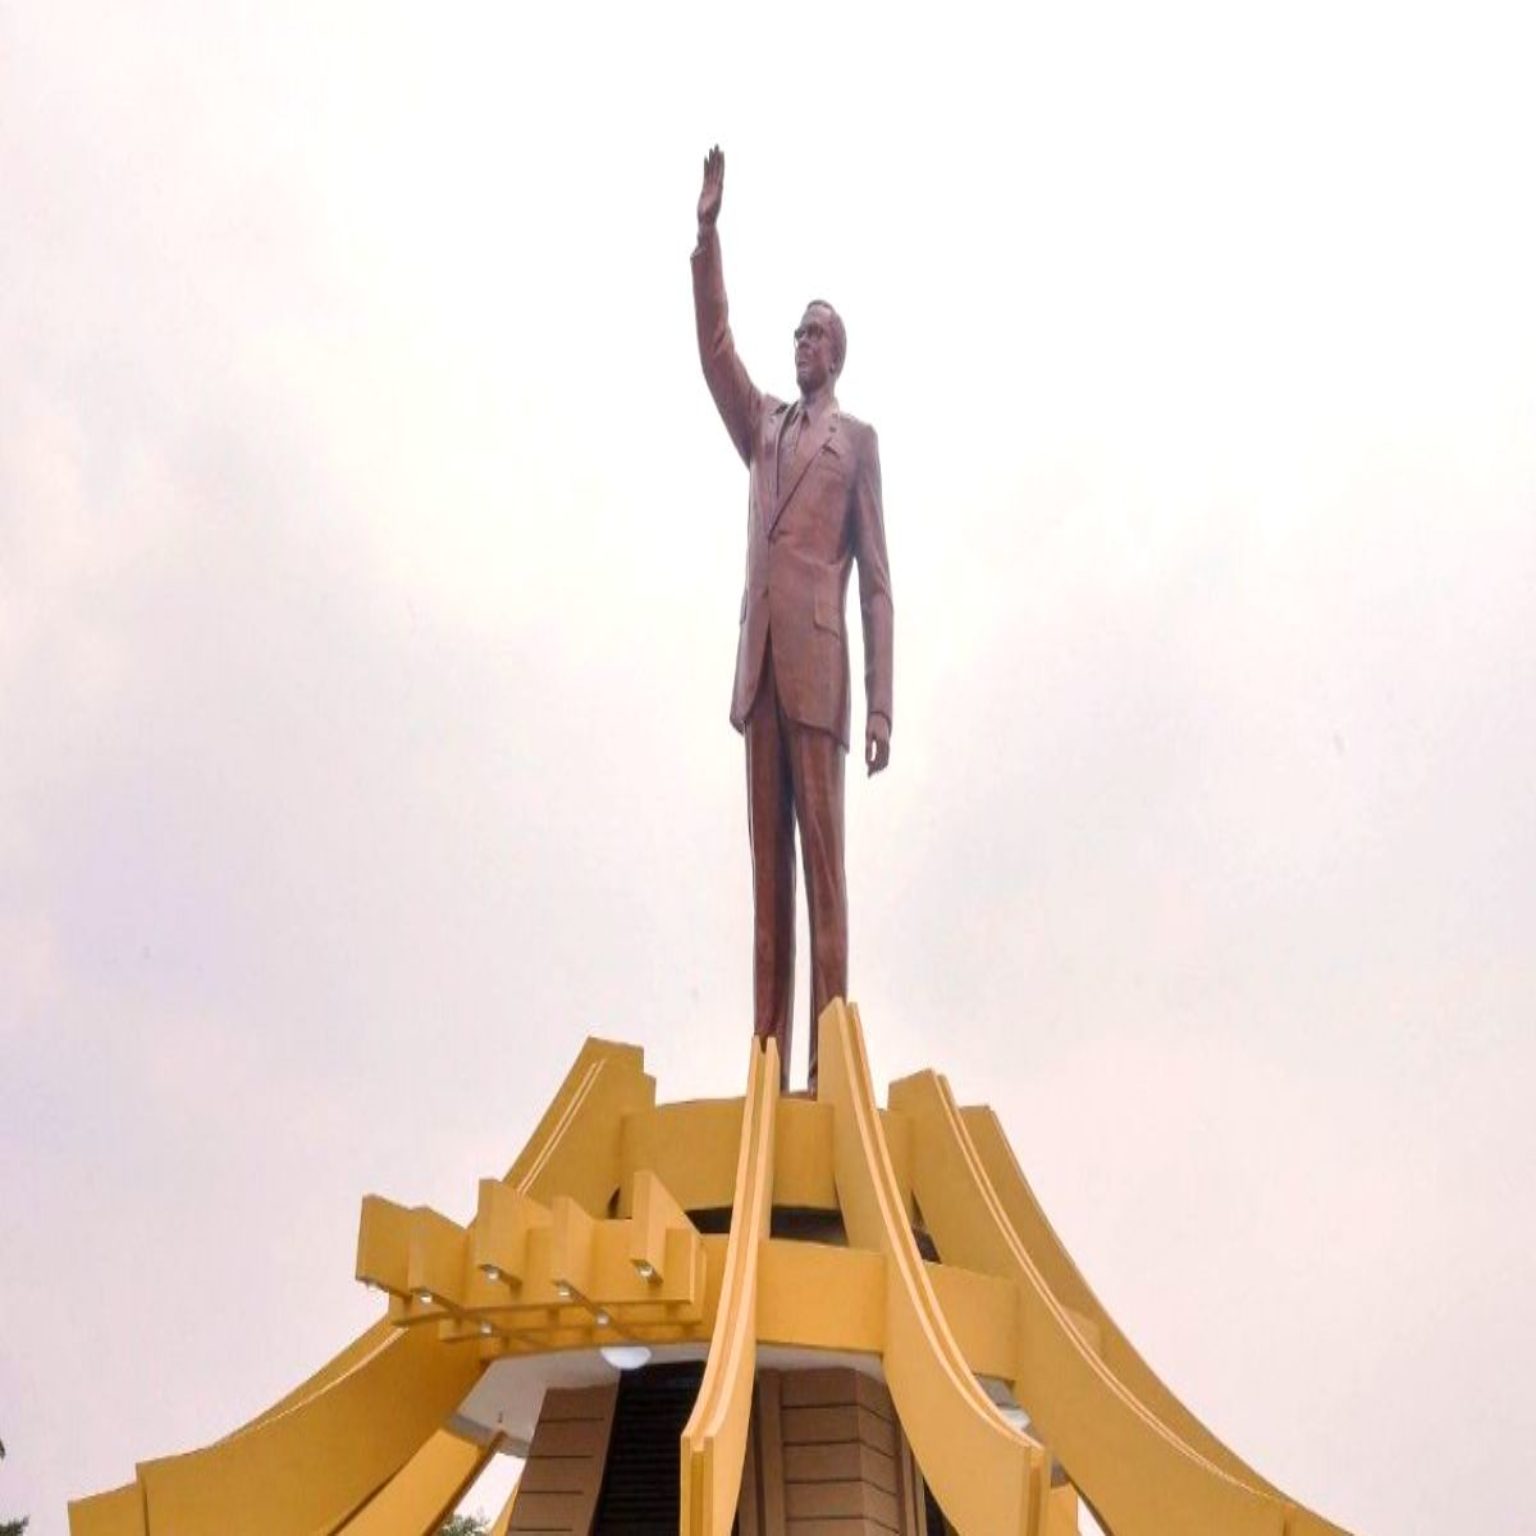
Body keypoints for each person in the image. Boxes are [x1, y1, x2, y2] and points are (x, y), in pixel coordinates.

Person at [691, 145, 894, 1093]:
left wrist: (883, 707)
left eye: (812, 337)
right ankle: (768, 1064)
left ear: (836, 352)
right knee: (766, 879)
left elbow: (880, 584)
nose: (798, 346)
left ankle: (829, 1068)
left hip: (819, 670)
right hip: (761, 668)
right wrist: (708, 238)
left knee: (826, 876)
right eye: (797, 336)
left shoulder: (856, 446)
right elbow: (716, 352)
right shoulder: (763, 427)